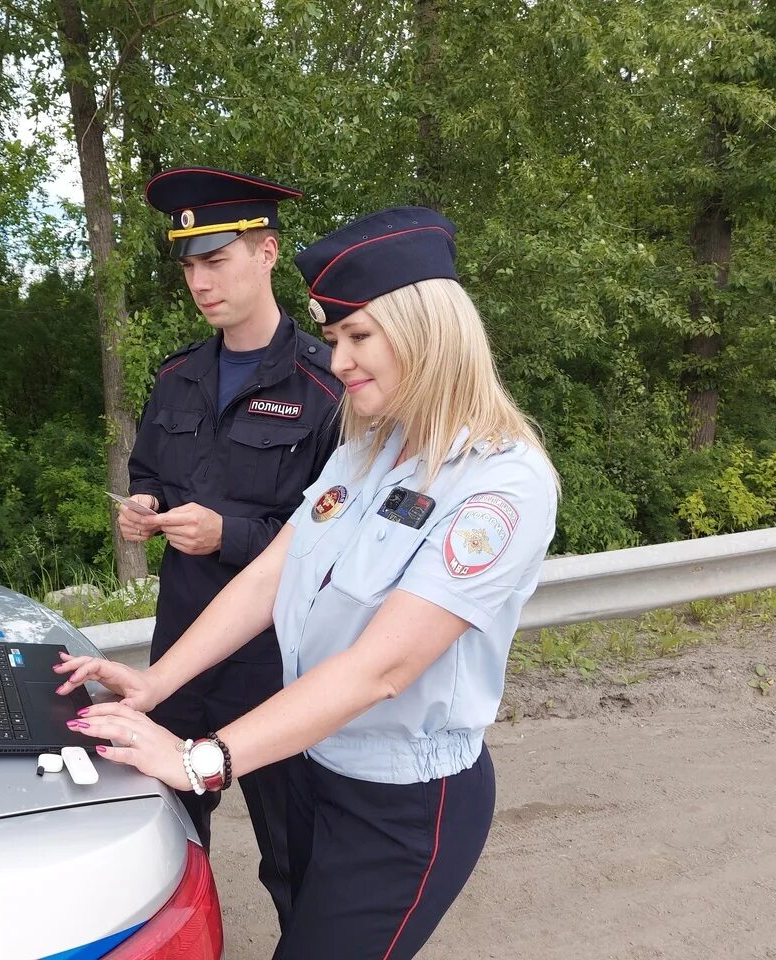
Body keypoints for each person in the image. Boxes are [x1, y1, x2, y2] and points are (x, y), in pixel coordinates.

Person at [58, 206, 559, 959]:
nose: (339, 361)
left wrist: (201, 759)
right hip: (318, 766)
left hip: (403, 807)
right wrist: (154, 686)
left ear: (429, 331)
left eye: (359, 337)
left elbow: (381, 669)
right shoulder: (371, 447)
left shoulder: (502, 483)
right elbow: (272, 572)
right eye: (332, 340)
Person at [117, 166, 343, 926]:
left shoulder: (327, 387)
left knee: (296, 858)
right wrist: (143, 504)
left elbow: (340, 543)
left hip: (276, 665)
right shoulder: (178, 375)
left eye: (215, 260)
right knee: (170, 853)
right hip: (179, 652)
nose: (199, 282)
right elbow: (148, 468)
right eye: (188, 265)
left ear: (268, 252)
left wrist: (230, 534)